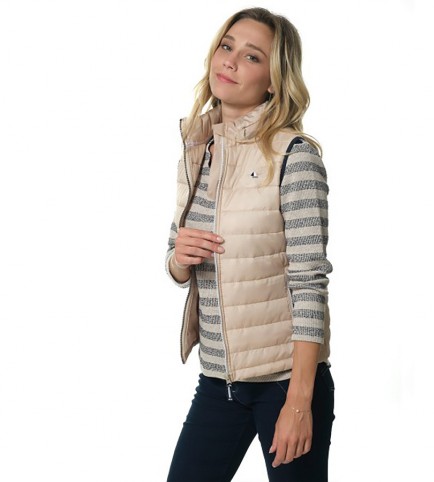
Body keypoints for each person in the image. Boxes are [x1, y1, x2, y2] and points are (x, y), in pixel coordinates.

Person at [165, 7, 334, 482]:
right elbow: (175, 257)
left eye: (252, 56)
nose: (231, 61)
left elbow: (309, 284)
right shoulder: (197, 149)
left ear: (274, 81)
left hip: (286, 384)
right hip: (219, 382)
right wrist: (179, 258)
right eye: (227, 46)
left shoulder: (295, 157)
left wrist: (299, 403)